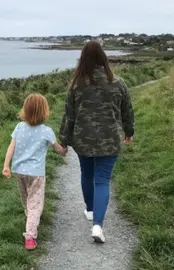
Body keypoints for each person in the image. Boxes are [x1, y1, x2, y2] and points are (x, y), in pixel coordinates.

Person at [58, 40, 135, 244]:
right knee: (102, 180)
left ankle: (90, 210)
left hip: (83, 140)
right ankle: (97, 225)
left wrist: (63, 141)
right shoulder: (118, 83)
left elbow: (69, 117)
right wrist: (129, 131)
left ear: (83, 59)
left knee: (87, 173)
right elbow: (127, 112)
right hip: (110, 140)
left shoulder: (77, 86)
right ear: (103, 58)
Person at [2, 93, 67, 250]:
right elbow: (57, 148)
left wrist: (6, 165)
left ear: (25, 110)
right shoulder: (46, 131)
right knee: (35, 203)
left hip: (19, 171)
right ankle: (30, 236)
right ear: (44, 111)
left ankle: (30, 217)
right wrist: (64, 151)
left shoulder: (19, 127)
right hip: (36, 173)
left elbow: (11, 147)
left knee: (26, 198)